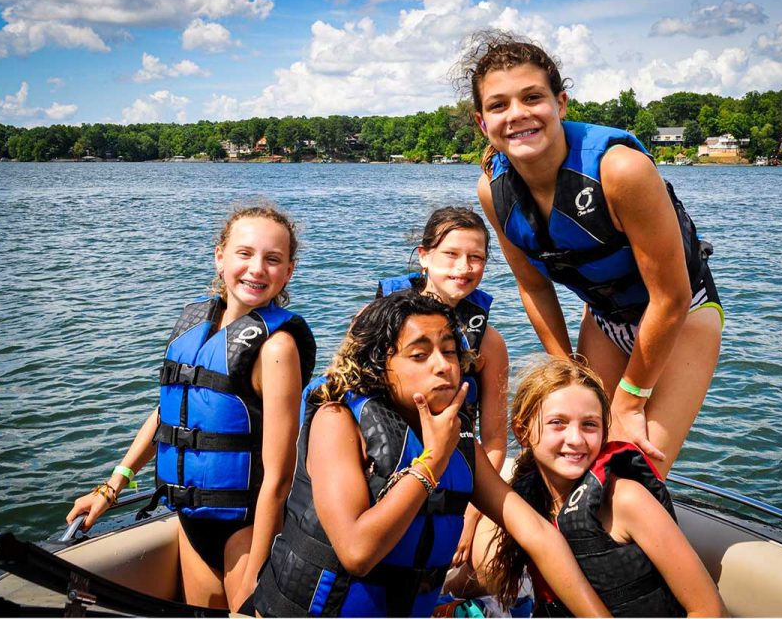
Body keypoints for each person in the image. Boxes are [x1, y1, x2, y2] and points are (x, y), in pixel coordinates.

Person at [461, 30, 723, 477]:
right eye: (499, 105)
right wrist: (569, 374)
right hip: (605, 320)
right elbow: (534, 286)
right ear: (483, 123)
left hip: (681, 318)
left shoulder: (620, 170)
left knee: (629, 473)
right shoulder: (494, 192)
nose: (518, 114)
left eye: (532, 97)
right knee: (569, 469)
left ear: (560, 104)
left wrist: (630, 399)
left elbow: (671, 296)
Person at [253, 293, 610, 617]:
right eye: (419, 355)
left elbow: (534, 532)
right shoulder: (339, 421)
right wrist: (432, 460)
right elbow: (356, 552)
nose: (442, 365)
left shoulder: (457, 436)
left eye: (450, 351)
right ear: (381, 364)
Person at [66, 205, 317, 612]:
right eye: (244, 253)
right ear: (220, 256)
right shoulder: (196, 325)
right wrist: (111, 487)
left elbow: (279, 476)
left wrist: (259, 568)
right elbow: (169, 414)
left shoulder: (276, 348)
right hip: (191, 520)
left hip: (246, 526)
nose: (257, 269)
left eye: (273, 259)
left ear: (288, 271)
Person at [455, 357, 726, 617]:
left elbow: (708, 610)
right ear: (523, 431)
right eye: (557, 423)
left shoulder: (625, 500)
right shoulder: (529, 502)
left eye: (589, 425)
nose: (575, 439)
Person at [375, 206, 509, 568]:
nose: (463, 268)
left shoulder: (489, 344)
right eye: (451, 254)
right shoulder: (378, 323)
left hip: (457, 473)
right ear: (425, 256)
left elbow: (495, 440)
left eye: (476, 258)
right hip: (388, 466)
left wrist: (470, 515)